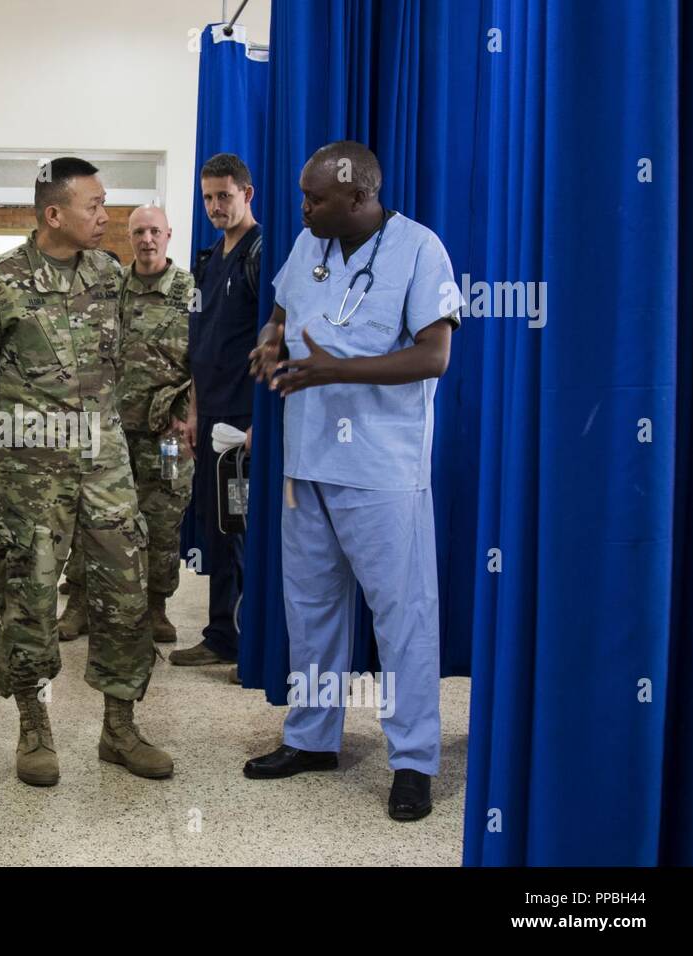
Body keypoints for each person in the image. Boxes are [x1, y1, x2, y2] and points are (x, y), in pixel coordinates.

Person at [246, 141, 459, 822]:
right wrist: (269, 343)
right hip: (305, 462)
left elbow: (434, 355)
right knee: (311, 612)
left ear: (358, 195)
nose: (302, 207)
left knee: (403, 618)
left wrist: (338, 370)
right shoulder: (308, 247)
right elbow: (280, 314)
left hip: (380, 469)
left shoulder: (420, 250)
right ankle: (312, 739)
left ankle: (414, 760)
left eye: (314, 197)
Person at [0, 158, 173, 788]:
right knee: (30, 599)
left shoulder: (109, 274)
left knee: (124, 595)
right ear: (54, 214)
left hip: (106, 467)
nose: (107, 217)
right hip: (31, 473)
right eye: (94, 206)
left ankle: (119, 728)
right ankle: (33, 727)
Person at [58, 205, 196, 646]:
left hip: (165, 435)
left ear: (169, 235)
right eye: (139, 232)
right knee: (92, 519)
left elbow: (208, 359)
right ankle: (78, 603)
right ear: (130, 236)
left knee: (162, 521)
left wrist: (188, 414)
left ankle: (156, 607)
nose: (147, 240)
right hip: (108, 431)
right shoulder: (110, 288)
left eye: (155, 231)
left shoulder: (190, 291)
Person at [170, 153, 263, 673]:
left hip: (242, 423)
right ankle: (220, 634)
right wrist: (192, 410)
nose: (214, 206)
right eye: (207, 198)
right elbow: (202, 345)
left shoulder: (260, 252)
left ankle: (251, 645)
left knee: (243, 530)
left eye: (224, 196)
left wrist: (258, 424)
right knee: (220, 530)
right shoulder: (207, 261)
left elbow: (275, 342)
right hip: (210, 419)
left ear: (247, 194)